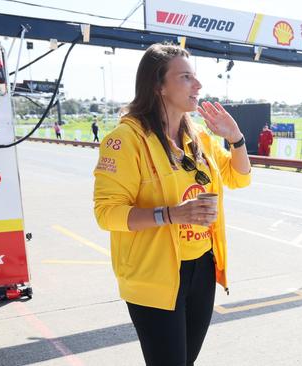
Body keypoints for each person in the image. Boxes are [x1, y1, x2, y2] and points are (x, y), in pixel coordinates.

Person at [93, 43, 251, 366]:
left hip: (201, 271)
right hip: (155, 276)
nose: (198, 86)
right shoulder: (125, 140)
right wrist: (171, 214)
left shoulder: (199, 139)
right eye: (186, 77)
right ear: (158, 85)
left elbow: (239, 176)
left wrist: (235, 137)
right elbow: (106, 213)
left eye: (196, 77)